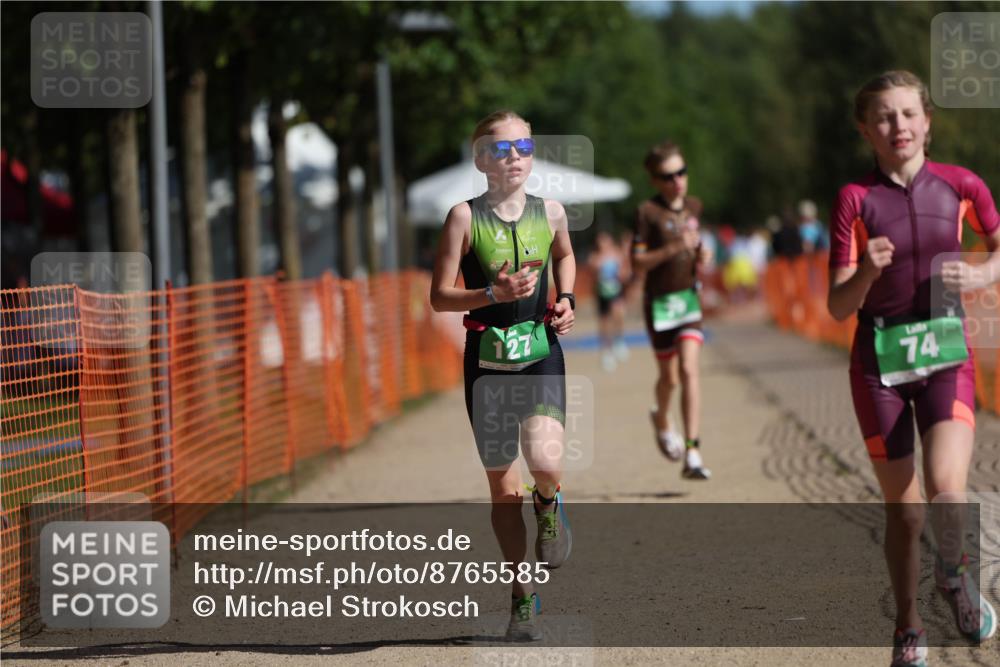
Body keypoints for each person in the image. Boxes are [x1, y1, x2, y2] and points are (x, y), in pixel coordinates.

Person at [827, 70, 999, 667]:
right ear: (864, 130)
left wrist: (980, 274)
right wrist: (868, 271)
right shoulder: (855, 199)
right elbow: (836, 305)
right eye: (883, 116)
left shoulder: (962, 185)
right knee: (905, 511)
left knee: (949, 488)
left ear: (927, 121)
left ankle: (954, 577)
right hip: (879, 363)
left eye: (907, 114)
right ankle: (907, 626)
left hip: (947, 352)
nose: (897, 126)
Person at [429, 110, 576, 642]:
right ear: (480, 160)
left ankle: (550, 502)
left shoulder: (553, 212)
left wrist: (567, 299)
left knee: (546, 460)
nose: (513, 157)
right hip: (487, 362)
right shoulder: (462, 218)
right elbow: (439, 296)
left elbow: (565, 257)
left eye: (523, 146)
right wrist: (492, 294)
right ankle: (522, 596)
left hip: (540, 351)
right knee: (502, 487)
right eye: (500, 149)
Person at [632, 141, 712, 478]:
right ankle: (661, 419)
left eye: (681, 172)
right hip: (660, 305)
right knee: (670, 377)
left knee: (691, 371)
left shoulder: (693, 207)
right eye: (667, 177)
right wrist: (675, 248)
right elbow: (637, 262)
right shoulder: (647, 212)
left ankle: (692, 453)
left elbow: (696, 248)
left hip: (689, 302)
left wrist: (701, 255)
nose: (677, 181)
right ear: (654, 181)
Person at [589, 230, 628, 371]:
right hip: (602, 294)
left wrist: (621, 273)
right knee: (604, 323)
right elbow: (592, 274)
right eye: (600, 242)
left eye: (605, 241)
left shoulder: (616, 254)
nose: (602, 244)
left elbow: (624, 272)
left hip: (616, 291)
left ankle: (619, 340)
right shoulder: (595, 258)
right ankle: (607, 351)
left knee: (619, 314)